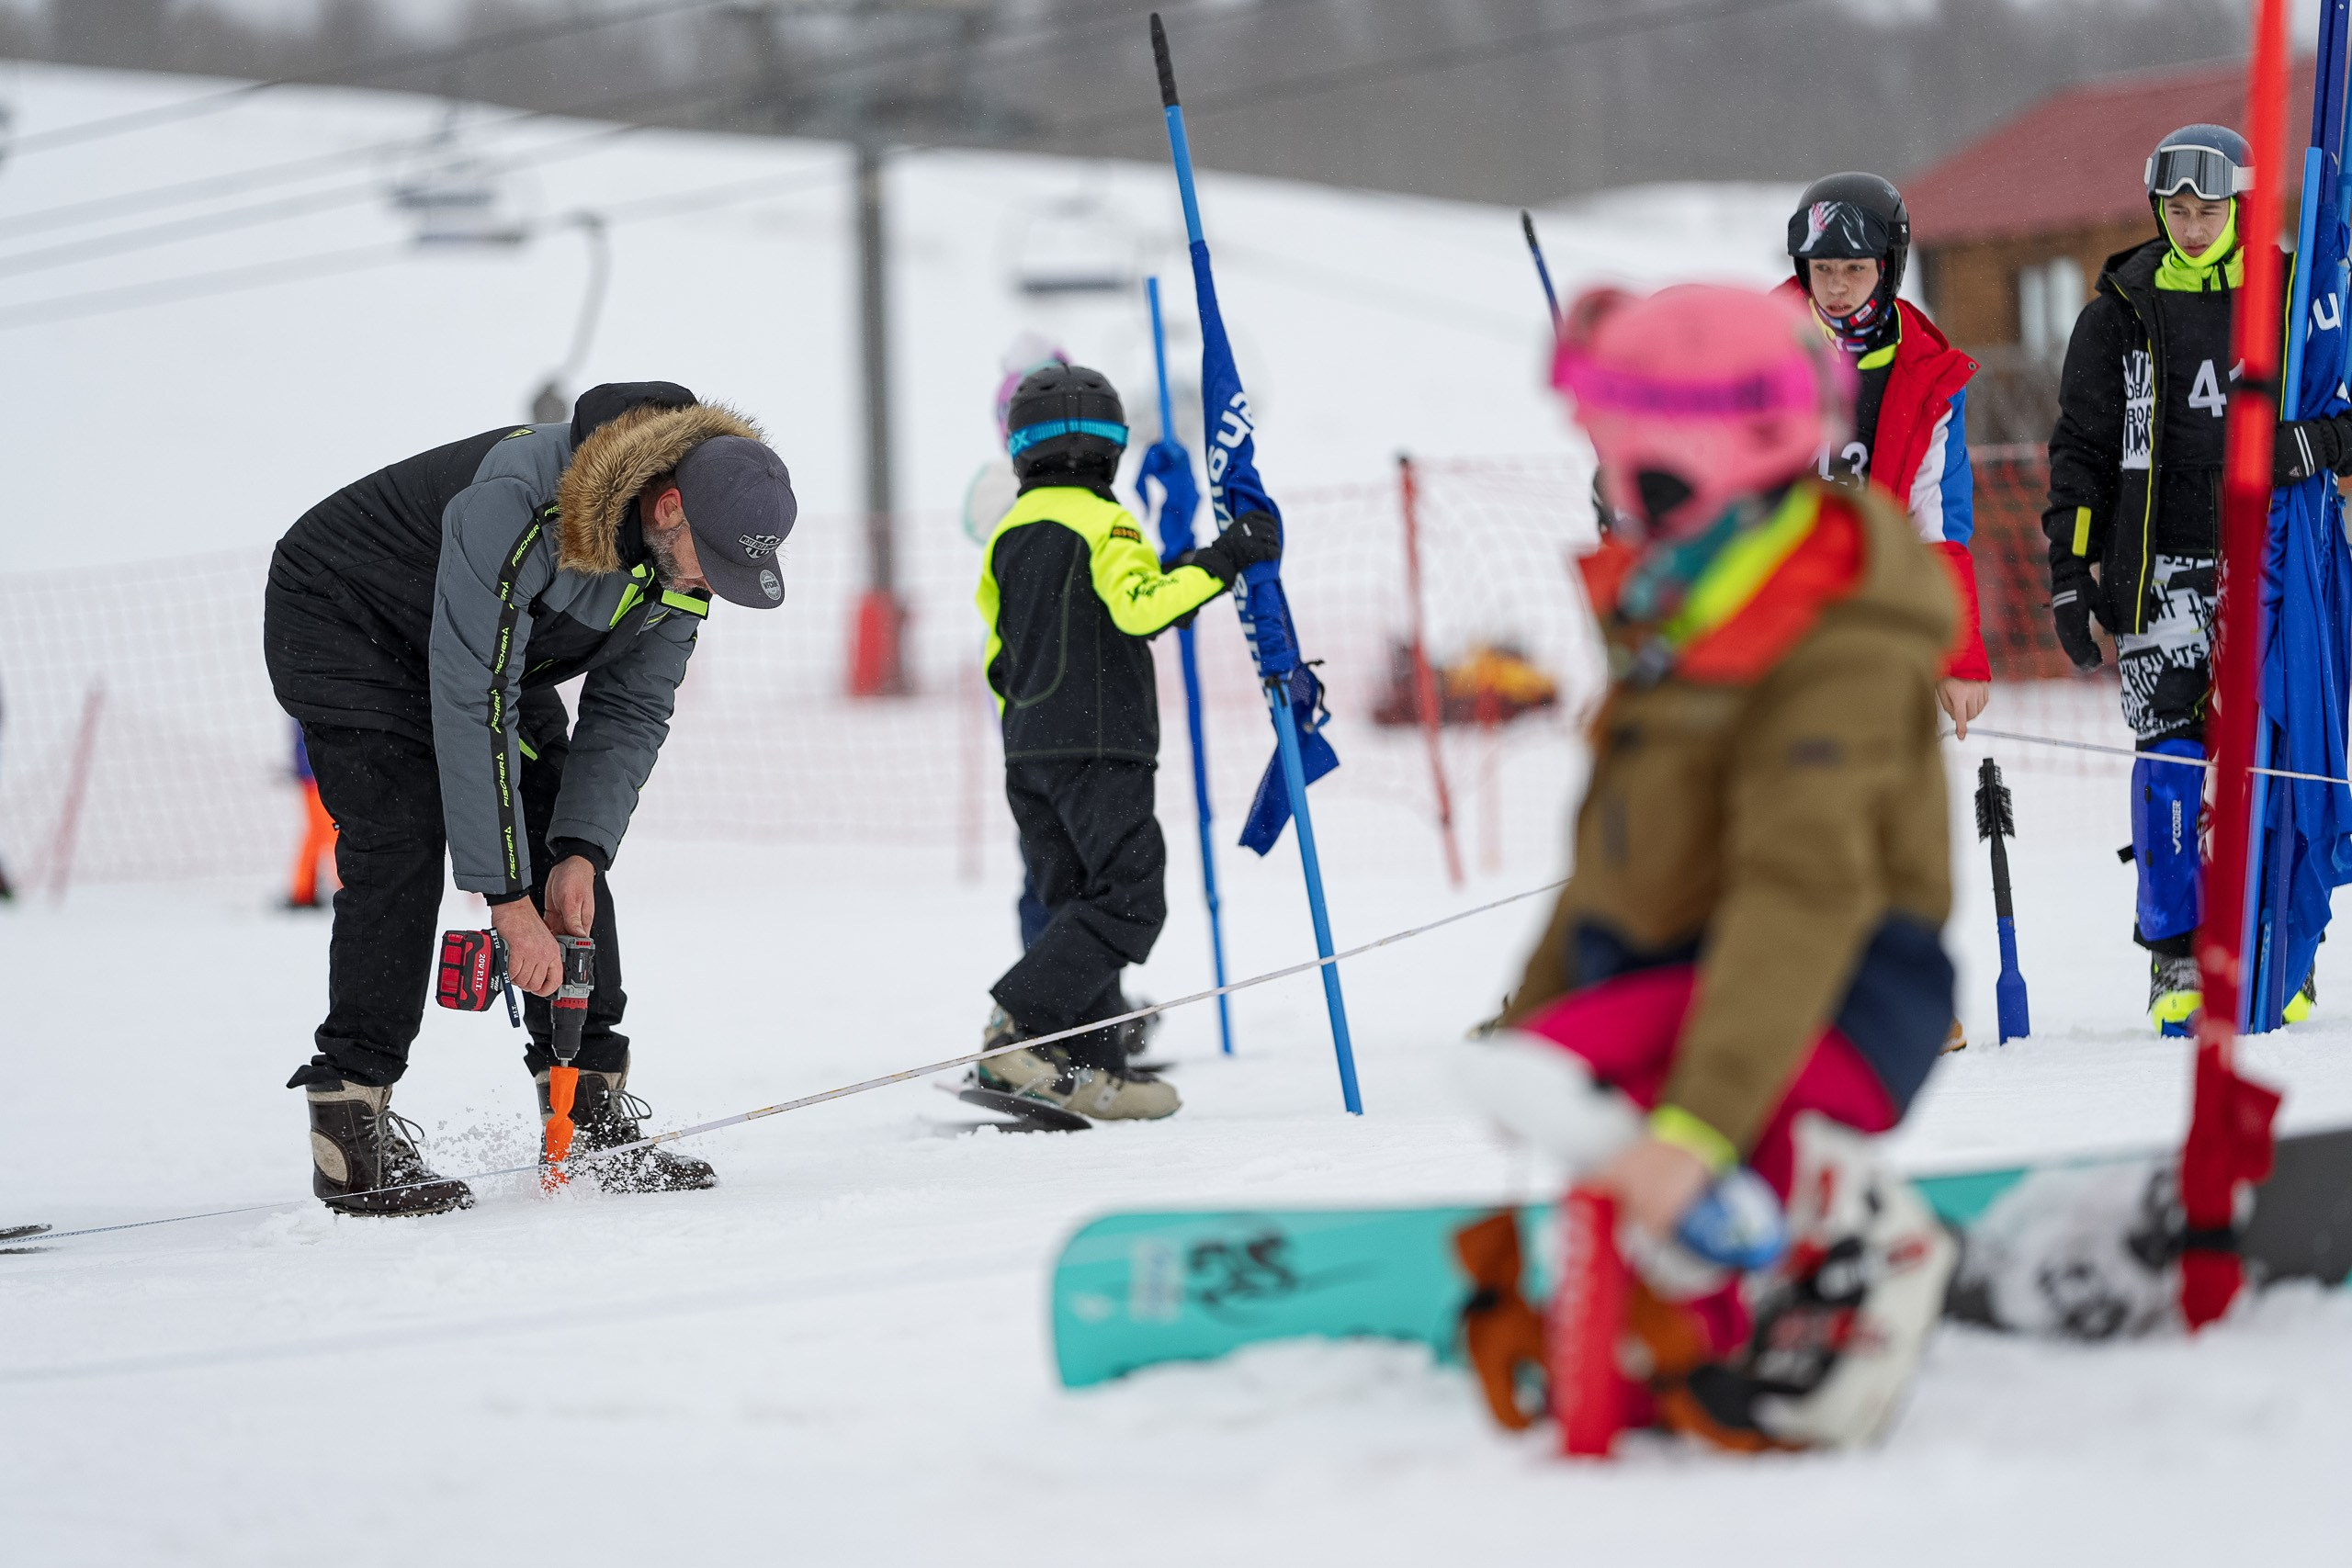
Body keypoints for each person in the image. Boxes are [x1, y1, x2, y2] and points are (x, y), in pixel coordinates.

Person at [1463, 283, 1961, 1450]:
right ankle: (1677, 1295)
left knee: (1601, 1082)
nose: (1610, 480)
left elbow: (1803, 894)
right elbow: (1611, 860)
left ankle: (1845, 1232)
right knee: (1546, 1065)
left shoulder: (1830, 637)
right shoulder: (1682, 604)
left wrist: (1695, 1129)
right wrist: (1534, 1017)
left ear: (1693, 458)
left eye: (1624, 449)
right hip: (1691, 965)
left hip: (1843, 988)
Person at [265, 382, 797, 1214]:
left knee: (560, 828)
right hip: (348, 615)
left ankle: (587, 1107)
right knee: (402, 832)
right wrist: (508, 902)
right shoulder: (524, 507)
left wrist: (580, 850)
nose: (715, 586)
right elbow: (470, 699)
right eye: (715, 563)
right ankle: (350, 1121)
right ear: (669, 508)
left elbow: (631, 710)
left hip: (488, 641)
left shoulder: (685, 555)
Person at [2044, 125, 2352, 1032]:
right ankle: (2176, 953)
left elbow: (2347, 415)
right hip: (2158, 570)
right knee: (2172, 759)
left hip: (2271, 565)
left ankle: (2280, 945)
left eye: (2207, 209)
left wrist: (2314, 444)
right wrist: (2069, 572)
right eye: (2175, 209)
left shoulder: (2293, 293)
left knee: (2268, 754)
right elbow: (2080, 452)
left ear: (2239, 207)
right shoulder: (2119, 311)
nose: (2190, 224)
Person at [968, 364, 1277, 1121]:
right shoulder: (1106, 522)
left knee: (1070, 903)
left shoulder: (1007, 532)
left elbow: (998, 651)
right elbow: (1141, 606)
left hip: (1028, 750)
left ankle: (1087, 1063)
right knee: (1130, 898)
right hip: (1103, 746)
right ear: (1111, 451)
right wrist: (1227, 556)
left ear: (1021, 450)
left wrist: (1031, 728)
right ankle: (1018, 1028)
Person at [1782, 172, 1992, 739]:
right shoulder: (1762, 348)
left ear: (1888, 267)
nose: (1837, 287)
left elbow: (1937, 525)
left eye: (1855, 268)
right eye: (1823, 268)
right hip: (1773, 610)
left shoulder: (1927, 378)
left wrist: (1959, 656)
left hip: (1871, 609)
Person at [284, 723, 338, 911]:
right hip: (317, 771)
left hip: (313, 769)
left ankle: (304, 890)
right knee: (333, 829)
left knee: (319, 830)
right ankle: (351, 884)